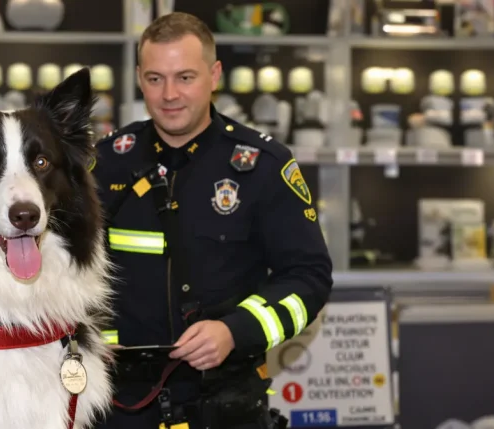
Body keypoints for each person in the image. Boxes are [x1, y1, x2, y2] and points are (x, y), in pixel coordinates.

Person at [89, 11, 333, 429]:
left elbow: (308, 278)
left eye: (185, 77)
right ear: (138, 77)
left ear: (215, 74)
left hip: (224, 403)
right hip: (118, 402)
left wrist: (235, 331)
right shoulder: (105, 163)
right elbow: (64, 270)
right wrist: (86, 335)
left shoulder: (262, 167)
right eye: (154, 78)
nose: (169, 94)